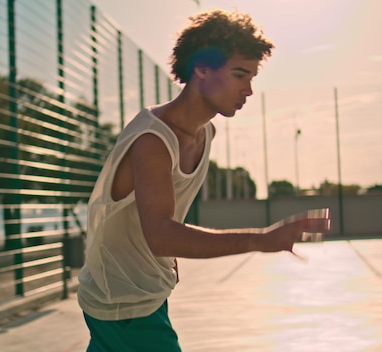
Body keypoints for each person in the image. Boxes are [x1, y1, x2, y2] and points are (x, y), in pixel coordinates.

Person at [77, 8, 329, 351]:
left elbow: (157, 218)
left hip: (139, 292)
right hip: (123, 301)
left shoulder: (204, 132)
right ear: (202, 69)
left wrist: (167, 254)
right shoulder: (152, 141)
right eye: (241, 75)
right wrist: (262, 239)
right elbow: (161, 235)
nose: (249, 90)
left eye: (252, 77)